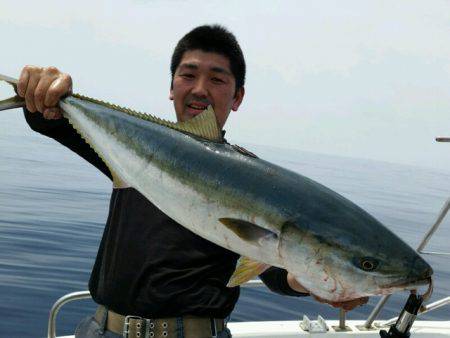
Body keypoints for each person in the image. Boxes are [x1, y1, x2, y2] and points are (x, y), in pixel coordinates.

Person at [18, 25, 367, 338]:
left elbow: (276, 268)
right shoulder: (130, 150)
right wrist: (42, 90)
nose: (200, 89)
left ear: (238, 96)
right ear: (171, 87)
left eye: (216, 79)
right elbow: (52, 121)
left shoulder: (259, 181)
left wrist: (319, 282)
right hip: (102, 330)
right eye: (188, 75)